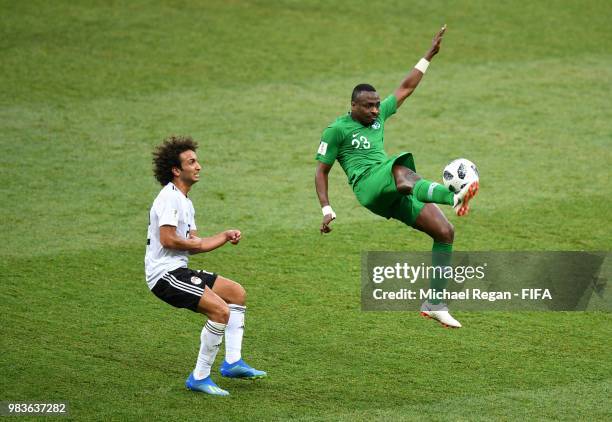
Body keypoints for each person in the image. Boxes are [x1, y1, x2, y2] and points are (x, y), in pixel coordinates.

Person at [314, 26, 478, 328]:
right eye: (368, 106)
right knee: (403, 172)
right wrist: (326, 208)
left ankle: (435, 303)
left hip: (390, 191)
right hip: (368, 186)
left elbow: (405, 87)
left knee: (445, 232)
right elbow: (321, 171)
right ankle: (454, 195)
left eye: (377, 105)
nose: (376, 110)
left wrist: (429, 55)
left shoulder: (378, 118)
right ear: (353, 106)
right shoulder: (336, 130)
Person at [145, 136, 266, 396]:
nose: (198, 166)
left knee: (236, 293)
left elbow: (192, 245)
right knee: (220, 311)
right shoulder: (170, 198)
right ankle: (199, 377)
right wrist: (215, 239)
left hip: (178, 269)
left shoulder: (185, 201)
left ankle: (233, 362)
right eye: (191, 162)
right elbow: (168, 239)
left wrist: (223, 237)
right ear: (176, 170)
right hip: (164, 275)